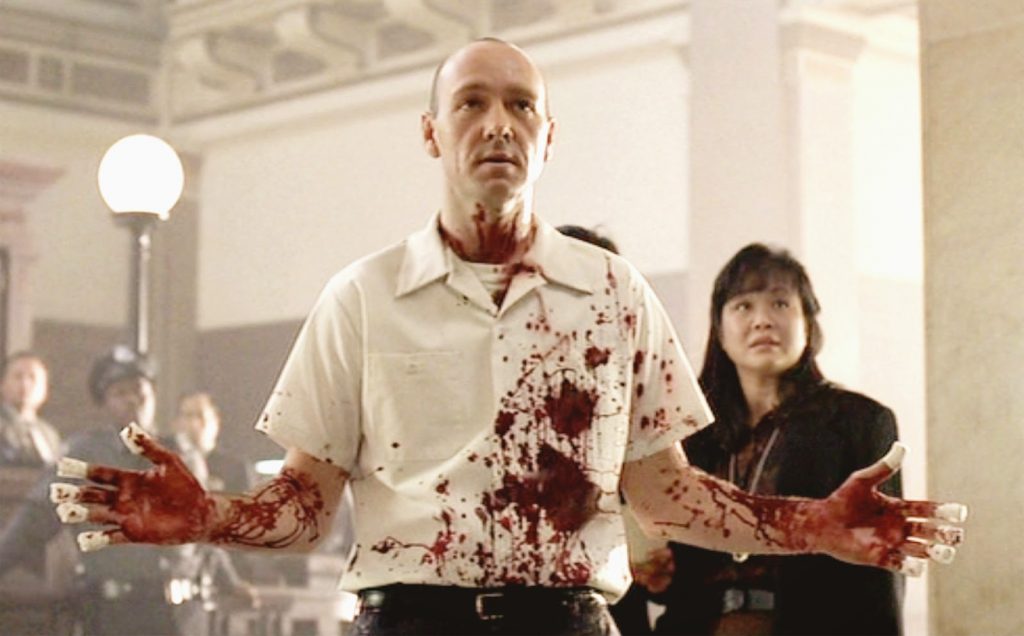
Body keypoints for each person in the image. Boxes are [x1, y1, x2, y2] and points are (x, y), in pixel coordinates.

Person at [48, 39, 965, 636]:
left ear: (548, 135)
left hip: (567, 619)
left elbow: (669, 497)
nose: (499, 123)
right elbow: (306, 506)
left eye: (521, 106)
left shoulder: (613, 294)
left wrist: (813, 525)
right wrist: (209, 516)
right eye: (472, 104)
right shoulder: (362, 296)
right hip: (410, 621)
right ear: (431, 132)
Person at [648, 243, 907, 635]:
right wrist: (653, 572)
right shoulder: (688, 431)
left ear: (808, 324)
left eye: (781, 304)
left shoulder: (860, 422)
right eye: (743, 306)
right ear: (719, 330)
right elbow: (676, 567)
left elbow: (880, 569)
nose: (762, 321)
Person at [0, 345, 183, 635]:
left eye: (140, 391)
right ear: (105, 403)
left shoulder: (178, 455)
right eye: (120, 393)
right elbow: (32, 524)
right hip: (112, 612)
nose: (132, 400)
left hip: (175, 613)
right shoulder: (84, 455)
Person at [0, 351, 60, 466]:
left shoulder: (49, 433)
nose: (25, 384)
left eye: (32, 378)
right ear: (2, 384)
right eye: (18, 377)